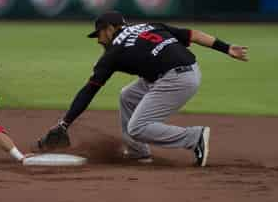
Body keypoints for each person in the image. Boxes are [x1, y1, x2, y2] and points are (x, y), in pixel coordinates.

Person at [35, 11, 249, 167]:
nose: (98, 40)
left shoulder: (113, 54)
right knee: (127, 96)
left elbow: (89, 90)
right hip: (187, 69)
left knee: (138, 127)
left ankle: (194, 138)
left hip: (176, 80)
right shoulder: (149, 25)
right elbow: (193, 34)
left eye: (99, 34)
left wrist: (65, 123)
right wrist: (227, 48)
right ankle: (138, 152)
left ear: (109, 29)